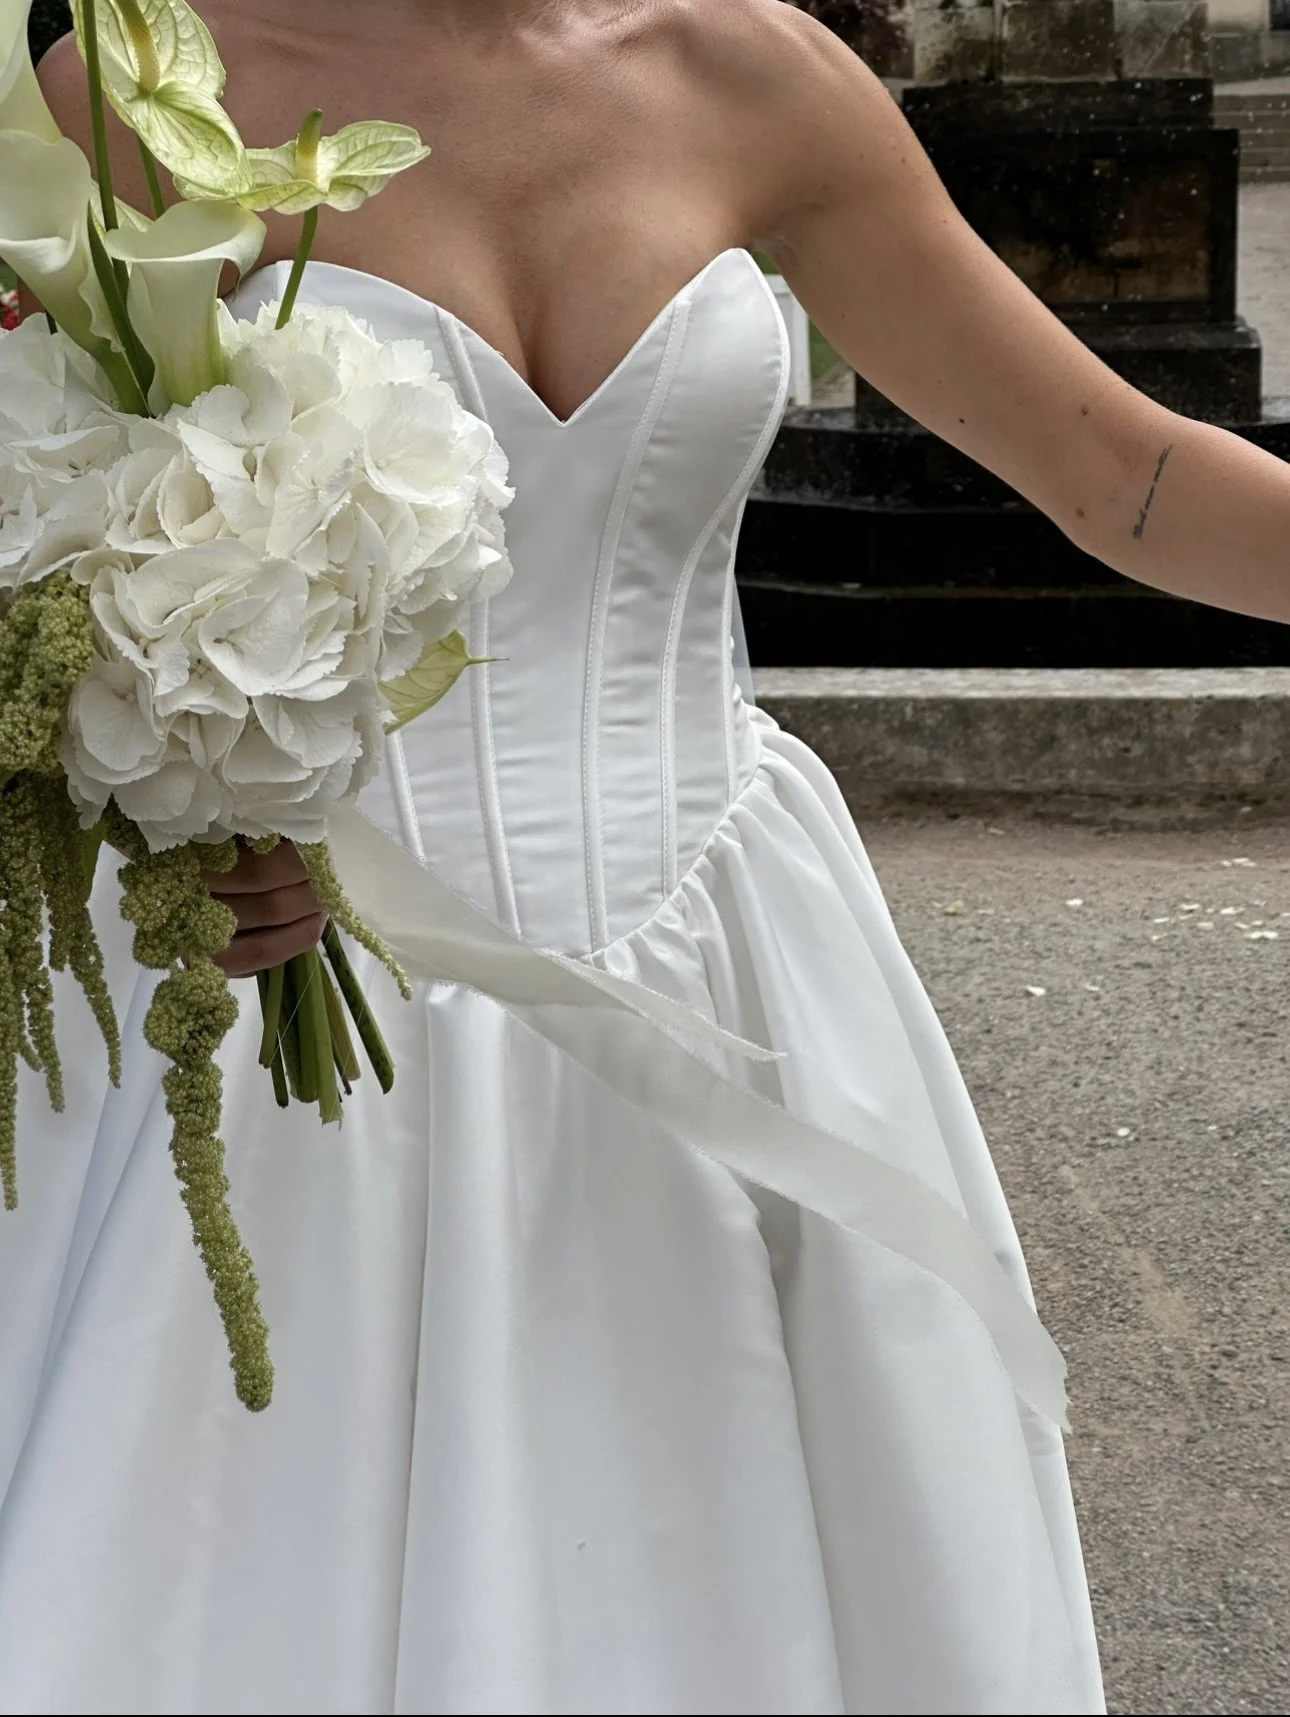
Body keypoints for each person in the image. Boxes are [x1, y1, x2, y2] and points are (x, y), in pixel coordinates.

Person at [7, 2, 1290, 1710]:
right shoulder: (133, 87)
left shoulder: (753, 73)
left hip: (736, 961)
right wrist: (156, 794)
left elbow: (1114, 475)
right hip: (292, 996)